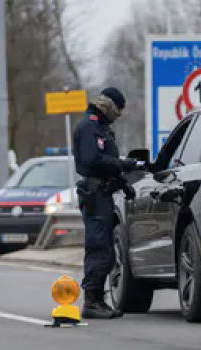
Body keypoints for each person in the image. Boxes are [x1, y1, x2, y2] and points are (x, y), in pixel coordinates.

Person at [72, 87, 140, 319]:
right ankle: (91, 301)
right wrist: (123, 164)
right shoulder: (89, 127)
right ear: (109, 106)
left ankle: (98, 300)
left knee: (106, 250)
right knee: (99, 248)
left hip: (103, 194)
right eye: (118, 109)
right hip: (95, 196)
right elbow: (94, 161)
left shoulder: (101, 128)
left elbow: (105, 166)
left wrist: (122, 183)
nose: (119, 114)